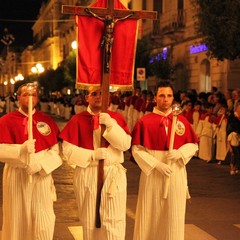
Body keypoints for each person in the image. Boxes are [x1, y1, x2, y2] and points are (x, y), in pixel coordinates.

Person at [59, 86, 131, 240]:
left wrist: (111, 125)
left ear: (109, 97)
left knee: (114, 221)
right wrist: (92, 155)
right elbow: (67, 151)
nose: (99, 97)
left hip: (113, 173)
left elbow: (125, 145)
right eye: (94, 94)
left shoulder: (117, 119)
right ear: (87, 98)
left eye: (102, 93)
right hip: (88, 173)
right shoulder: (77, 119)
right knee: (90, 220)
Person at [131, 81, 198, 240]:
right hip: (153, 174)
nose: (165, 99)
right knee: (150, 213)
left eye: (169, 95)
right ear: (155, 98)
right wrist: (156, 164)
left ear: (173, 98)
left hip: (176, 171)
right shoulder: (144, 122)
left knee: (174, 214)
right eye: (161, 95)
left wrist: (180, 153)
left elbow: (193, 145)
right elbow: (136, 150)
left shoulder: (181, 121)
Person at [0, 83, 62, 240]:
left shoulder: (46, 120)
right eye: (25, 94)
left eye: (33, 94)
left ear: (37, 98)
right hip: (17, 173)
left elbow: (56, 152)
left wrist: (40, 165)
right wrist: (20, 151)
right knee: (17, 218)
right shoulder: (6, 120)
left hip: (41, 175)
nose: (30, 98)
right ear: (18, 97)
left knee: (43, 219)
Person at [84, 8, 133, 73]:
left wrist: (130, 15)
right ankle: (107, 64)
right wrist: (89, 12)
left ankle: (107, 63)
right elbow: (96, 16)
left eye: (108, 20)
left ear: (110, 20)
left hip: (111, 39)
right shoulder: (105, 22)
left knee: (109, 52)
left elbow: (123, 18)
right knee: (106, 51)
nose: (107, 22)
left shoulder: (114, 22)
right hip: (106, 38)